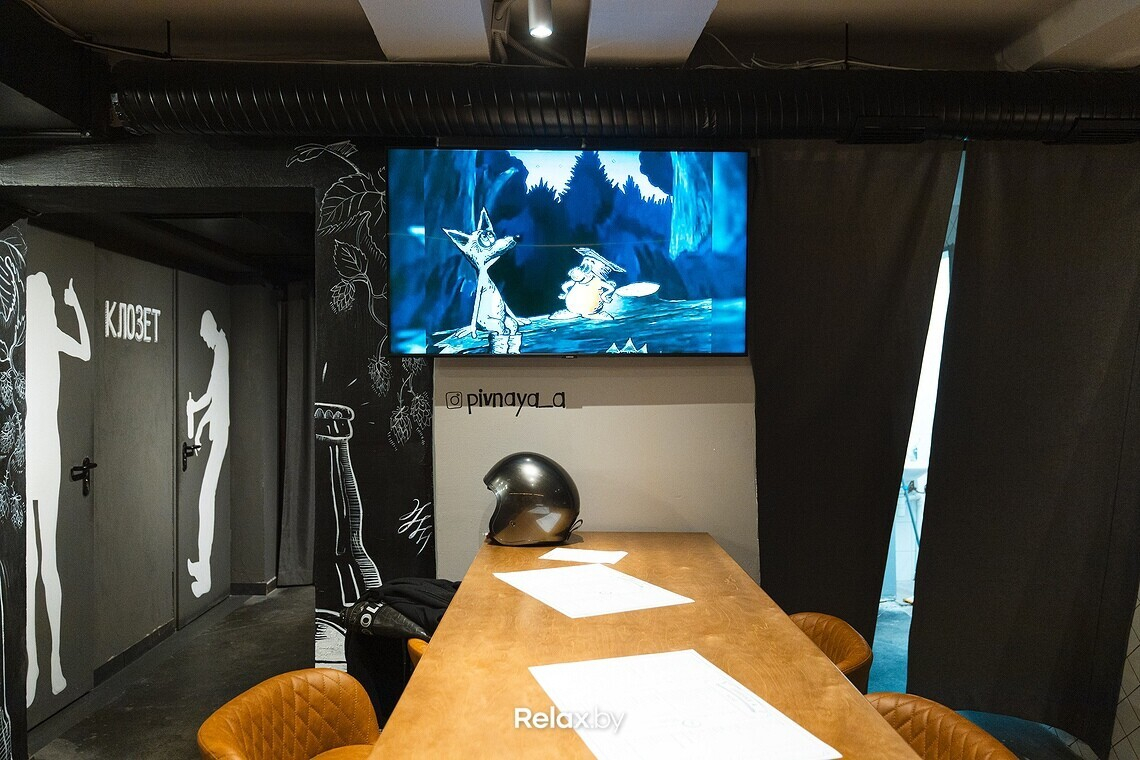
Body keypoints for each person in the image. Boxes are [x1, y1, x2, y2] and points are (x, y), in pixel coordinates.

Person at [25, 273, 90, 705]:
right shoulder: (51, 335)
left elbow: (85, 351)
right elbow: (85, 348)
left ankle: (38, 665)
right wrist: (75, 304)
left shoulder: (26, 342)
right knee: (45, 564)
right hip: (46, 451)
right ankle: (51, 665)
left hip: (33, 455)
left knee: (34, 566)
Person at [185, 310, 229, 598]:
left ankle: (206, 576)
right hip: (217, 432)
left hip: (219, 434)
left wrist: (195, 410)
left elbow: (213, 396)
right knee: (205, 502)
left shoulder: (220, 349)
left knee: (205, 502)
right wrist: (199, 427)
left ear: (210, 329)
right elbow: (216, 399)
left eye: (203, 337)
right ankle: (203, 566)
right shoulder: (221, 349)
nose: (203, 342)